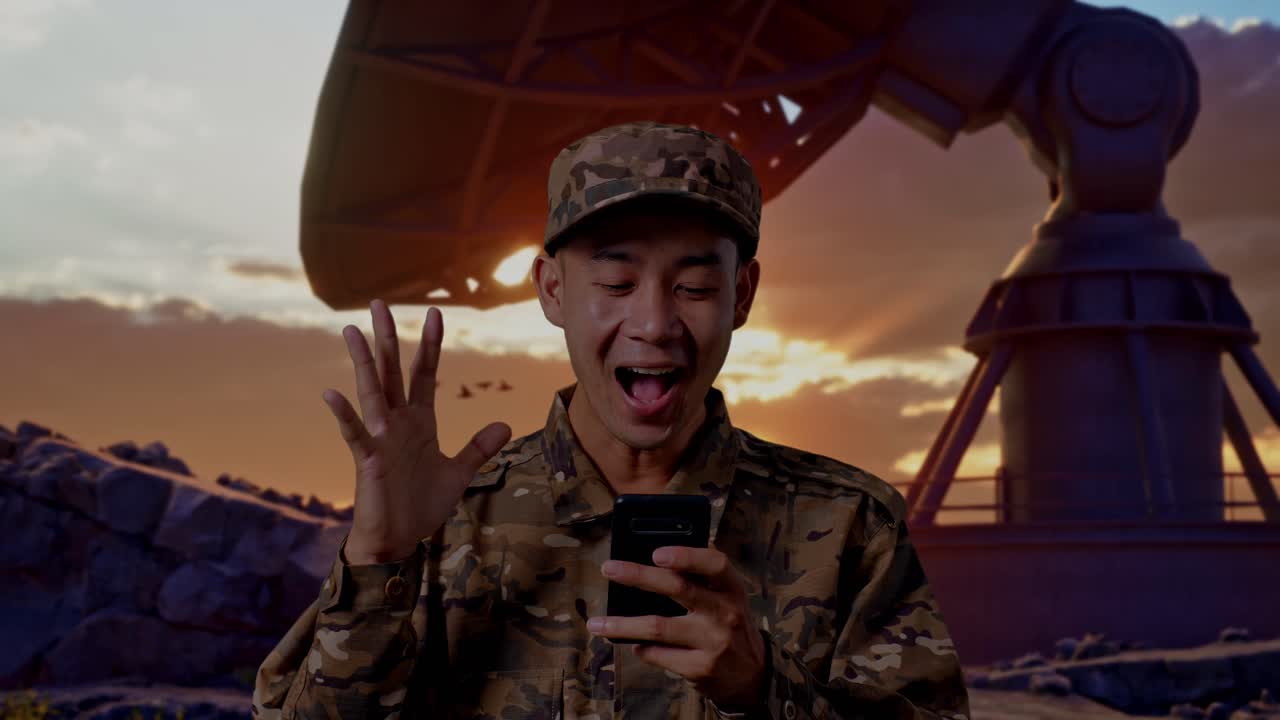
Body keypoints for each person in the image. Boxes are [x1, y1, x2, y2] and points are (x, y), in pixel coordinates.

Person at [252, 121, 971, 719]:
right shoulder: (443, 520)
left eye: (693, 286)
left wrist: (763, 691)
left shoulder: (852, 526)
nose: (655, 323)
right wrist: (379, 566)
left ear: (743, 296)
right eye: (615, 283)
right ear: (552, 289)